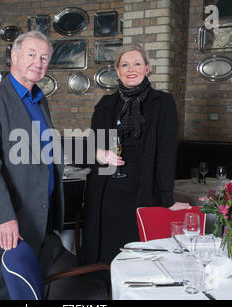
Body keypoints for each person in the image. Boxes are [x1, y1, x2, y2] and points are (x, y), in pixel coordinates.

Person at [0, 31, 65, 299]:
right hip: (11, 218)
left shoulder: (39, 99)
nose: (38, 62)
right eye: (31, 54)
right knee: (6, 290)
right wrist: (3, 218)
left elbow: (47, 146)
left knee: (35, 288)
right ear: (14, 55)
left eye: (44, 57)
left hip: (41, 213)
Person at [82, 44, 191, 267]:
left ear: (147, 69)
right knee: (106, 252)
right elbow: (92, 145)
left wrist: (167, 199)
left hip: (142, 190)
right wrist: (98, 153)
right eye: (124, 64)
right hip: (106, 190)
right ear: (117, 71)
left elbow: (165, 155)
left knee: (137, 255)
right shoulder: (106, 104)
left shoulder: (163, 103)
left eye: (137, 64)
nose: (131, 69)